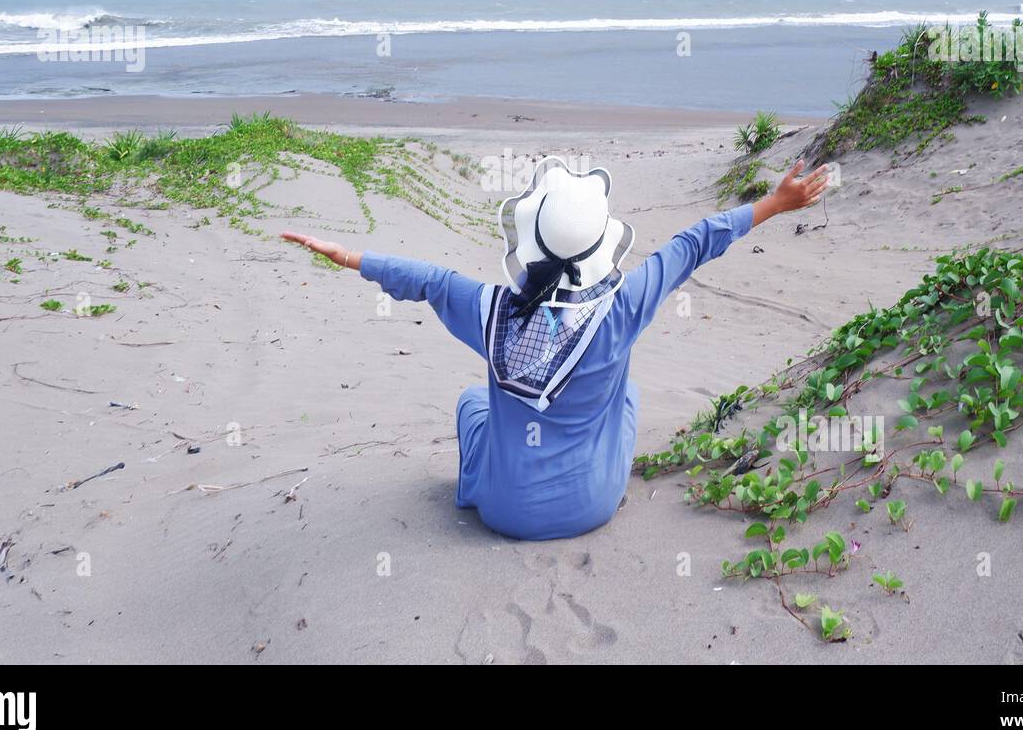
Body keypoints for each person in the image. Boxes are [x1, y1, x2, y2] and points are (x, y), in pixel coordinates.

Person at [282, 156, 828, 541]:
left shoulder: (490, 310)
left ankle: (480, 487)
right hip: (593, 507)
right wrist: (776, 203)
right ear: (602, 243)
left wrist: (350, 255)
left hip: (502, 512)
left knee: (473, 403)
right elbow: (693, 244)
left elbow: (429, 280)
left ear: (529, 240)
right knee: (626, 397)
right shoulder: (623, 308)